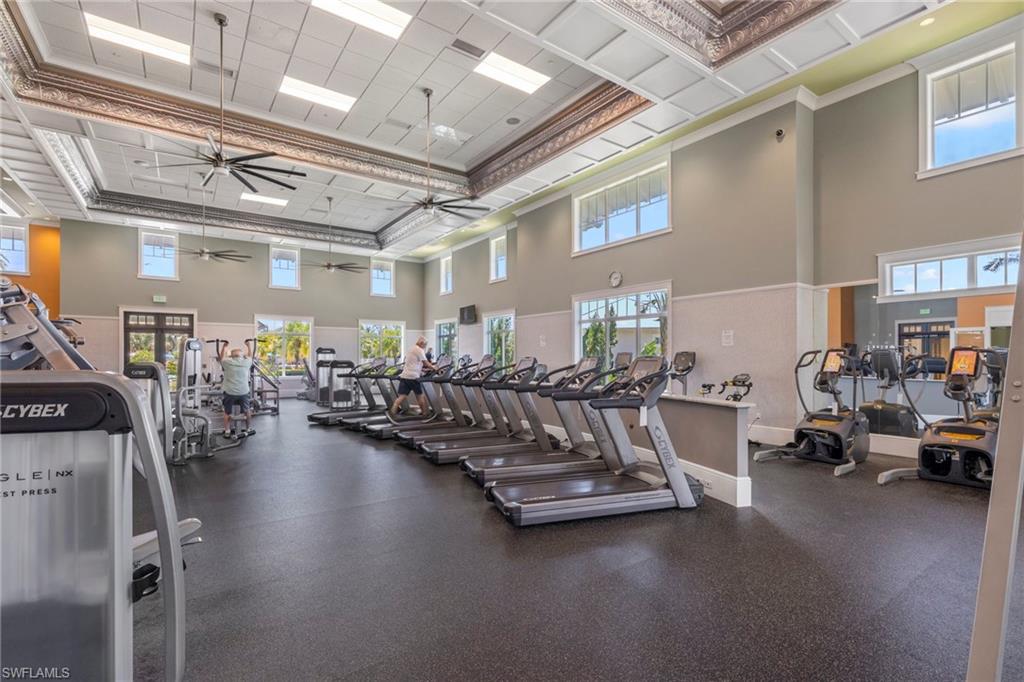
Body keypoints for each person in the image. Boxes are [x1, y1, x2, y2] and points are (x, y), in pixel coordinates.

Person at [390, 336, 435, 417]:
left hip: (404, 376)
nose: (425, 347)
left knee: (402, 396)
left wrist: (424, 370)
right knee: (420, 396)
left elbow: (414, 363)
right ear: (422, 343)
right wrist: (435, 368)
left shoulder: (411, 349)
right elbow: (426, 363)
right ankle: (425, 413)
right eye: (425, 345)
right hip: (413, 377)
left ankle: (393, 410)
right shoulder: (419, 349)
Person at [219, 339, 254, 437]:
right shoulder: (246, 363)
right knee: (247, 410)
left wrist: (224, 347)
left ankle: (227, 431)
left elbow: (221, 358)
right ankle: (248, 428)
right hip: (243, 392)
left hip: (230, 392)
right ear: (242, 356)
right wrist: (248, 345)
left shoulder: (227, 363)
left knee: (227, 412)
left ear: (231, 356)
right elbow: (250, 356)